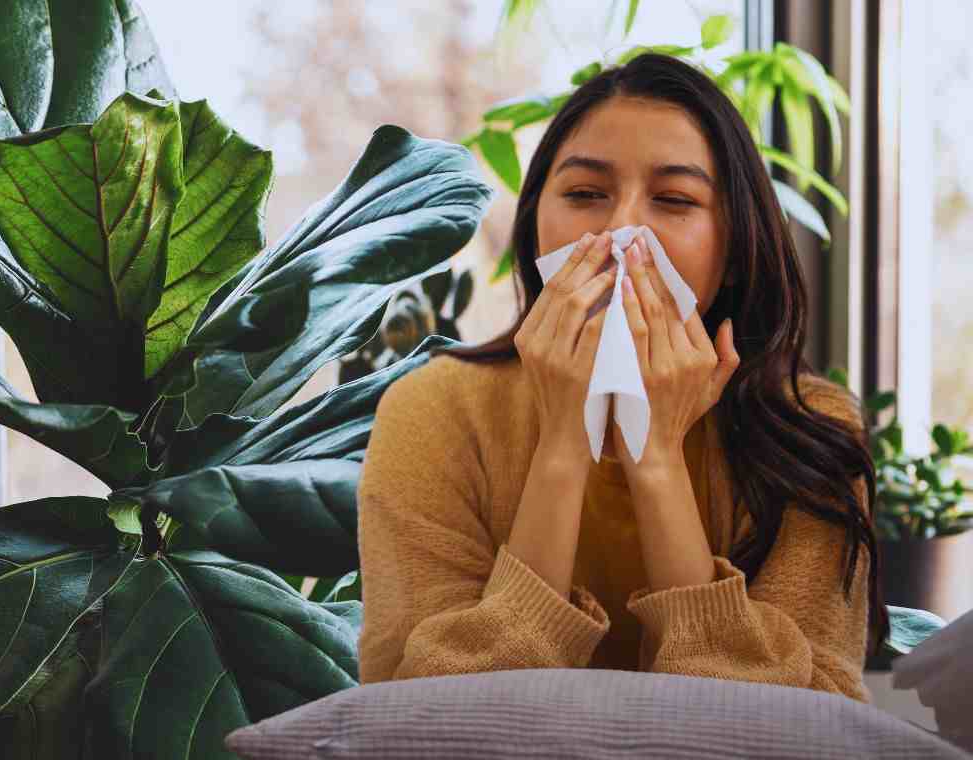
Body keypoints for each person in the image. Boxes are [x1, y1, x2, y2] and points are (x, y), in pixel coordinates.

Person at [355, 53, 887, 704]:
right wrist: (563, 445)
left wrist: (655, 454)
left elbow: (804, 731)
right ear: (533, 226)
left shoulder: (809, 426)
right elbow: (414, 713)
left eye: (674, 199)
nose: (622, 232)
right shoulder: (432, 411)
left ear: (736, 249)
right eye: (584, 194)